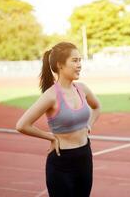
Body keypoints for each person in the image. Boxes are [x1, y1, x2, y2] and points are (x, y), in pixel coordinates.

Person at [15, 41, 101, 197]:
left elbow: (97, 107)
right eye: (75, 60)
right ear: (60, 65)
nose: (79, 64)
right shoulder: (51, 95)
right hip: (62, 162)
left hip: (85, 157)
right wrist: (50, 137)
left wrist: (89, 125)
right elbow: (22, 125)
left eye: (80, 60)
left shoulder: (82, 89)